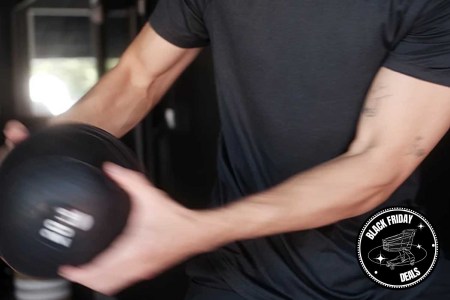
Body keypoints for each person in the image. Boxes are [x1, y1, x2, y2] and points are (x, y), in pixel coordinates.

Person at [4, 1, 450, 299]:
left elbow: (378, 162)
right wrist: (39, 159)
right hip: (236, 277)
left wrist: (199, 230)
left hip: (378, 270)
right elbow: (138, 77)